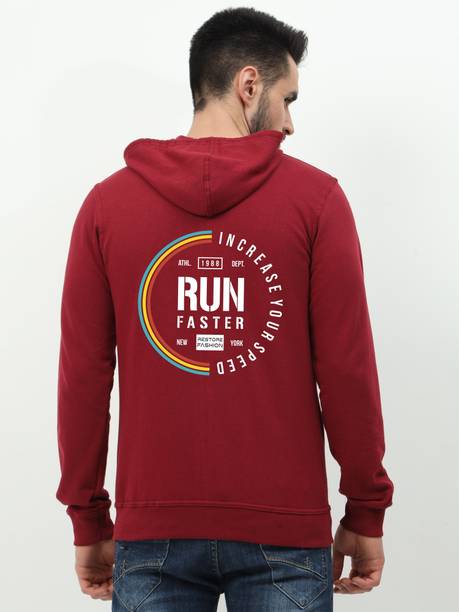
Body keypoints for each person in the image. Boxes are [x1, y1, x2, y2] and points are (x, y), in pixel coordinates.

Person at [55, 7, 394, 611]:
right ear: (249, 85)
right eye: (288, 99)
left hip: (152, 528)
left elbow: (82, 377)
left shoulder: (107, 206)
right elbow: (347, 370)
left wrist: (88, 518)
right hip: (285, 529)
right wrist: (365, 510)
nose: (290, 123)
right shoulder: (317, 201)